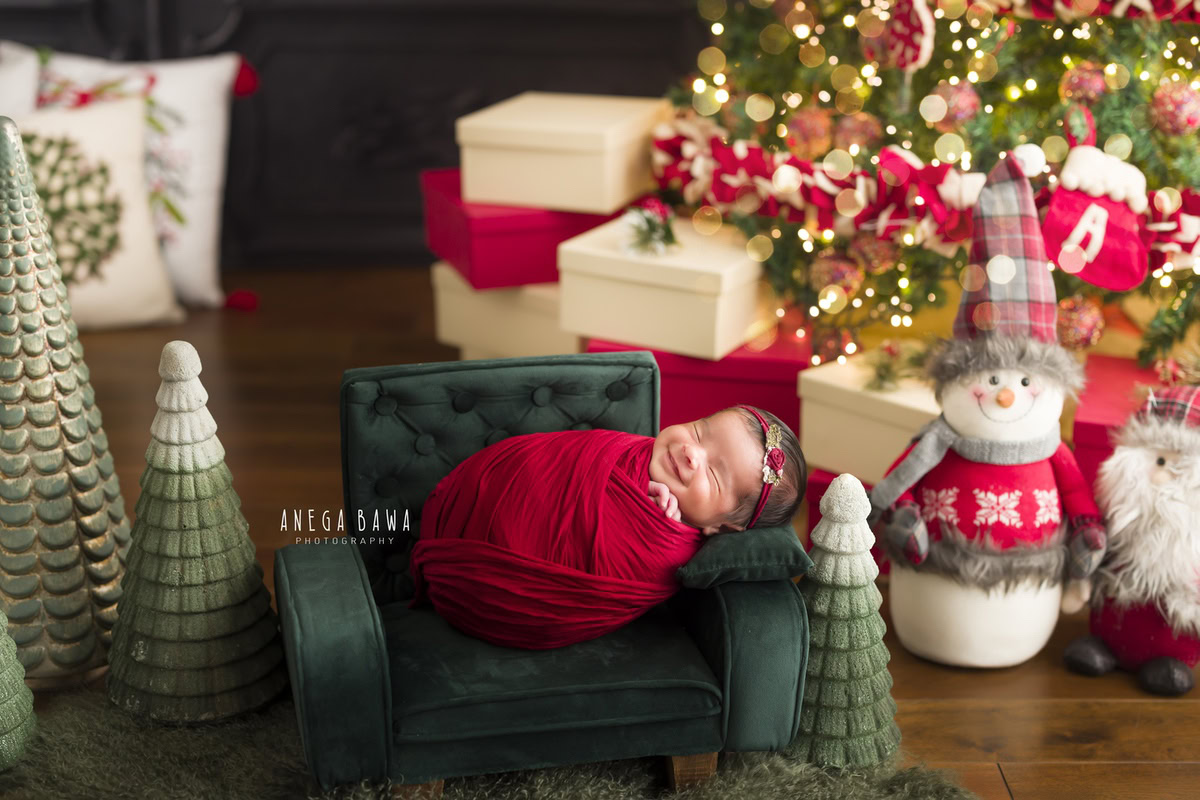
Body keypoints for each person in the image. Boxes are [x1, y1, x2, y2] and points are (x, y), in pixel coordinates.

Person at [410, 404, 806, 648]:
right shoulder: (633, 451)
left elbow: (620, 557)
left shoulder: (665, 553)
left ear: (723, 528)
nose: (690, 452)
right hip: (462, 498)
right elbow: (556, 460)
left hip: (481, 586)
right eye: (700, 431)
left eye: (715, 475)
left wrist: (647, 525)